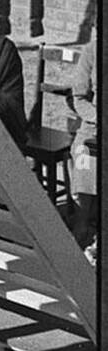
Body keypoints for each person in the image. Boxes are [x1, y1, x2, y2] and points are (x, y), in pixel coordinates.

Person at [69, 35, 98, 260]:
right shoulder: (92, 50)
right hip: (94, 127)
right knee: (81, 155)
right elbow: (79, 98)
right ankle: (82, 225)